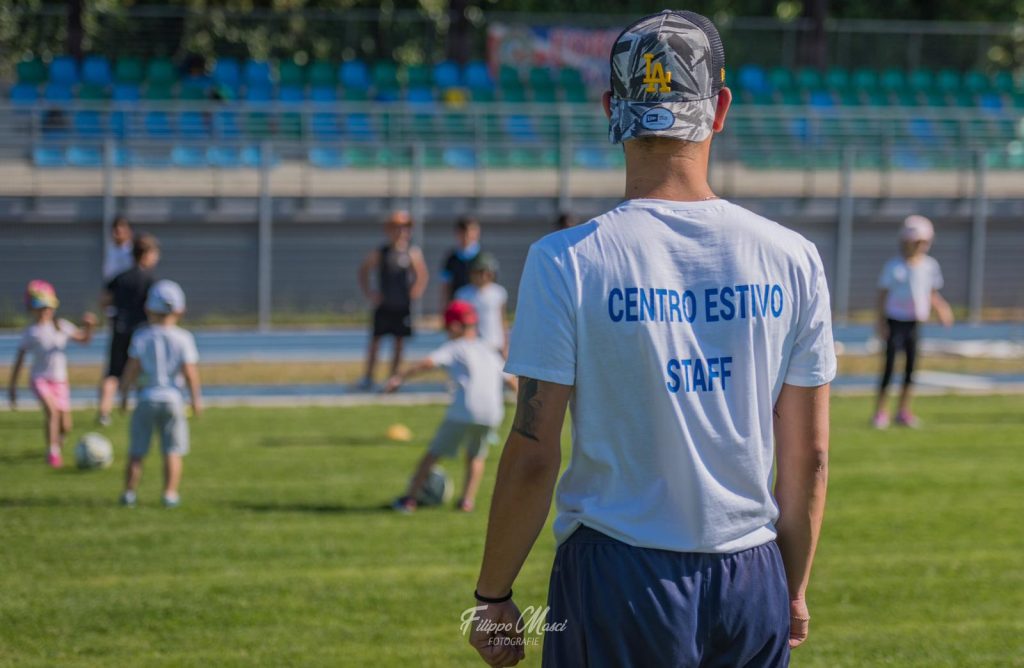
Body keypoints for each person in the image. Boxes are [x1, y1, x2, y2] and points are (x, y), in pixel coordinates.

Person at [468, 11, 836, 667]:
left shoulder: (567, 260)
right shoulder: (793, 258)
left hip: (613, 575)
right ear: (718, 108)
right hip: (750, 576)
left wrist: (493, 594)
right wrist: (794, 585)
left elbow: (532, 451)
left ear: (612, 108)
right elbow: (808, 456)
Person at [386, 301, 513, 513]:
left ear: (454, 327)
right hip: (492, 413)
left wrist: (399, 378)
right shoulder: (488, 349)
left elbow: (428, 363)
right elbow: (511, 381)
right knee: (476, 455)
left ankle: (409, 500)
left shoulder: (455, 347)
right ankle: (467, 501)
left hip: (464, 411)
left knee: (433, 454)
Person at [118, 280, 202, 508]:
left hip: (146, 398)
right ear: (180, 310)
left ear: (148, 308)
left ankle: (129, 494)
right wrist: (196, 400)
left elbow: (131, 369)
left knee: (137, 452)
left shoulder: (142, 336)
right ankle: (169, 494)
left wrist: (123, 395)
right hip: (173, 400)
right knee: (172, 451)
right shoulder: (184, 338)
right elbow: (190, 373)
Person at [872, 215, 953, 429]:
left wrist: (942, 309)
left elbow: (932, 293)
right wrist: (880, 322)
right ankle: (881, 412)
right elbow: (882, 295)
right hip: (894, 320)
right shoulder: (894, 266)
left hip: (914, 322)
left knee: (910, 368)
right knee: (889, 367)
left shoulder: (929, 266)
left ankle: (903, 411)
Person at [7, 280, 95, 468]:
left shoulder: (61, 326)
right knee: (52, 412)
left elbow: (84, 340)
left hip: (60, 381)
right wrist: (12, 387)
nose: (45, 311)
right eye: (40, 307)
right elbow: (19, 360)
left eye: (48, 307)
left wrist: (89, 327)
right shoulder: (31, 332)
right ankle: (53, 452)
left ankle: (57, 442)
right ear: (32, 308)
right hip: (39, 379)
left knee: (66, 426)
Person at [356, 211, 429, 391]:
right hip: (384, 305)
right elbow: (363, 270)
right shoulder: (381, 252)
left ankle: (393, 377)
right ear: (389, 230)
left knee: (399, 343)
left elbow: (421, 275)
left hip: (402, 306)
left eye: (404, 228)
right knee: (375, 342)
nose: (400, 232)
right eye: (396, 227)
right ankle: (368, 377)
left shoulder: (412, 252)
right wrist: (370, 292)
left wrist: (415, 291)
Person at [97, 234, 159, 426]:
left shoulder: (119, 278)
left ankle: (104, 412)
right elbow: (154, 308)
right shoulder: (150, 280)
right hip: (141, 332)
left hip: (120, 328)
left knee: (113, 372)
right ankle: (141, 408)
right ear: (147, 254)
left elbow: (104, 301)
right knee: (141, 371)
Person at [453, 253, 508, 355]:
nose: (483, 276)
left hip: (495, 343)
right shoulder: (462, 294)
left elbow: (502, 319)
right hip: (472, 344)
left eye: (487, 272)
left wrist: (505, 344)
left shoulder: (499, 292)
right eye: (479, 272)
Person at [440, 216, 481, 306]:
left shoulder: (483, 258)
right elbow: (446, 286)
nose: (467, 235)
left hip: (478, 307)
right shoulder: (451, 259)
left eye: (471, 231)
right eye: (462, 231)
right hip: (458, 307)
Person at [102, 215, 134, 282]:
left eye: (122, 227)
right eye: (115, 229)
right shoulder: (111, 250)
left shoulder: (133, 250)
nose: (118, 231)